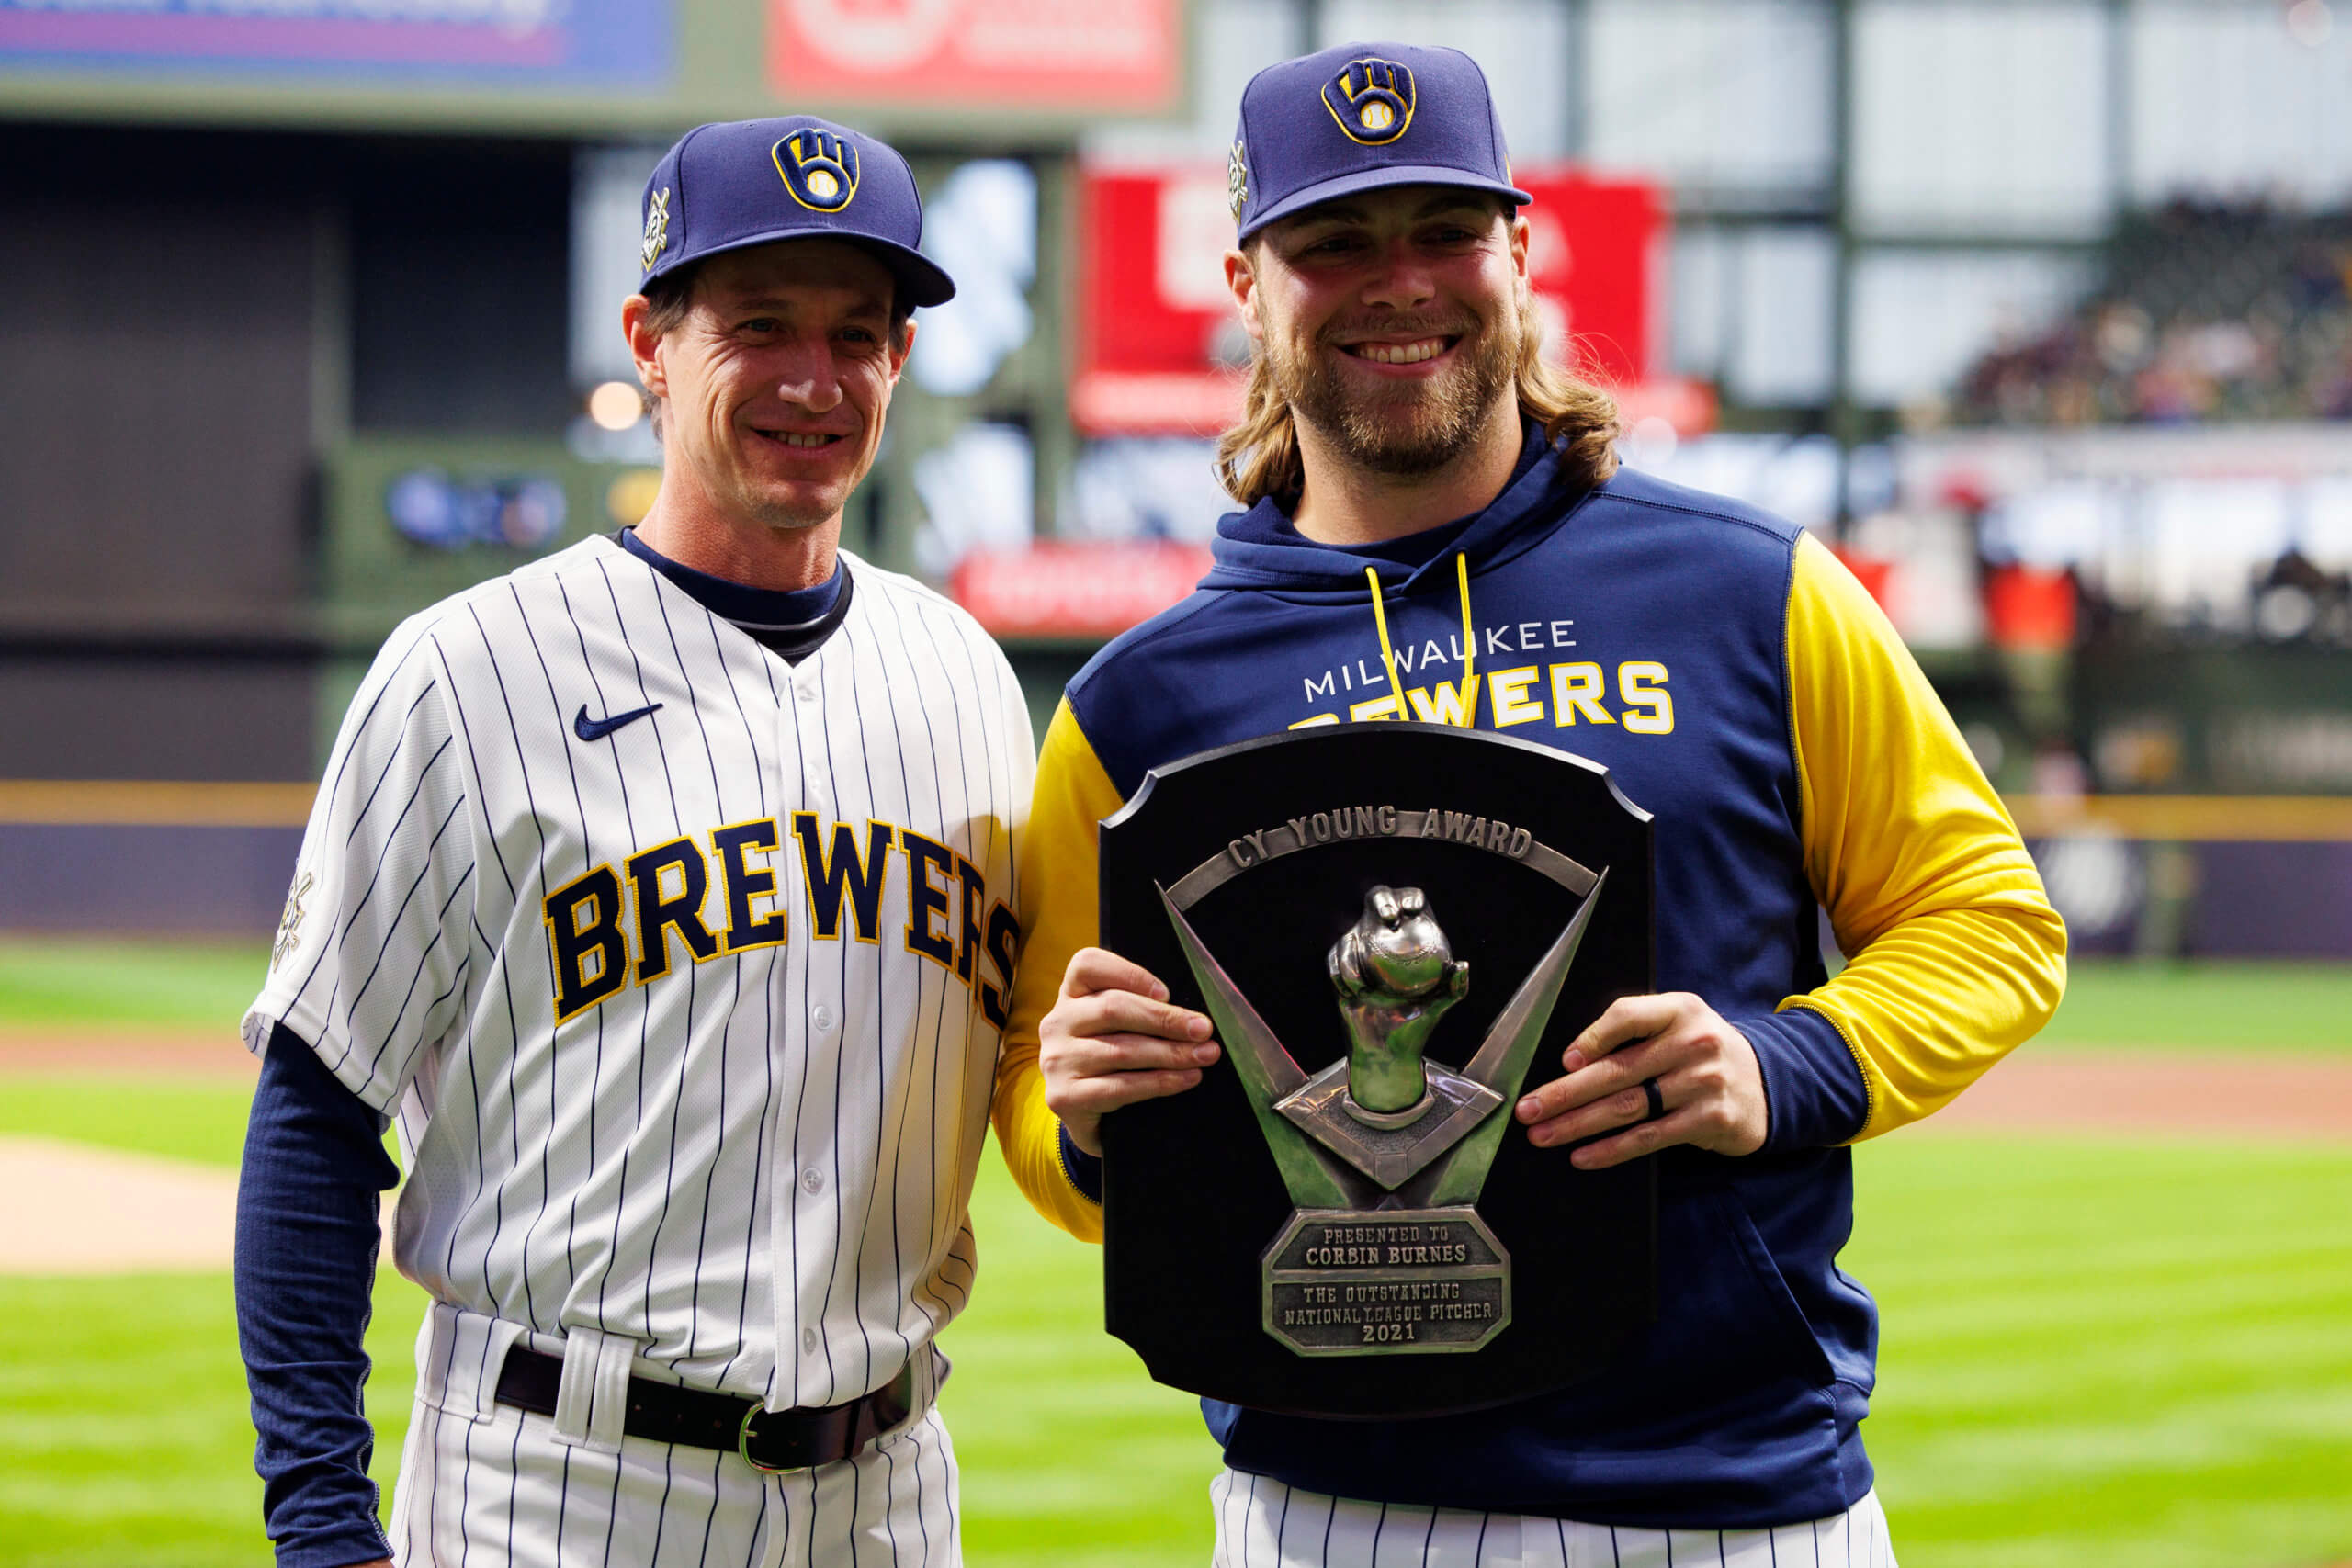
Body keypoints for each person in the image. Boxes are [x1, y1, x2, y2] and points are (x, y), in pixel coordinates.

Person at [989, 41, 2067, 1568]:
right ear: (1248, 283)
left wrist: (1790, 1058)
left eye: (1443, 231)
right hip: (1325, 1514)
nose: (1400, 281)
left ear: (1518, 248)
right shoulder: (1140, 701)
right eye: (1335, 242)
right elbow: (1048, 1095)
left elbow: (1991, 922)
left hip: (1741, 1504)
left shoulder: (1749, 593)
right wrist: (1088, 1128)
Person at [236, 114, 1047, 1568]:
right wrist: (319, 1526)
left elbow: (1030, 1076)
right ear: (650, 342)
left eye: (856, 334)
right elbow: (316, 1110)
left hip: (890, 1494)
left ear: (900, 363)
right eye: (760, 326)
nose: (815, 378)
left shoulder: (967, 680)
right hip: (557, 1489)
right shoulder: (469, 668)